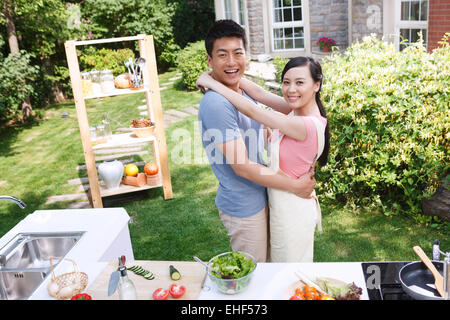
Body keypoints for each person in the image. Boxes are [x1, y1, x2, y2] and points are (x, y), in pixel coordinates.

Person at [197, 19, 316, 263]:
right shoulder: (217, 104)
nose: (231, 62)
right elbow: (242, 166)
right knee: (255, 277)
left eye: (238, 53)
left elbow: (284, 107)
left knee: (272, 269)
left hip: (262, 193)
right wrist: (294, 186)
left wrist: (212, 79)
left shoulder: (239, 90)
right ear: (210, 60)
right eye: (222, 55)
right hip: (243, 206)